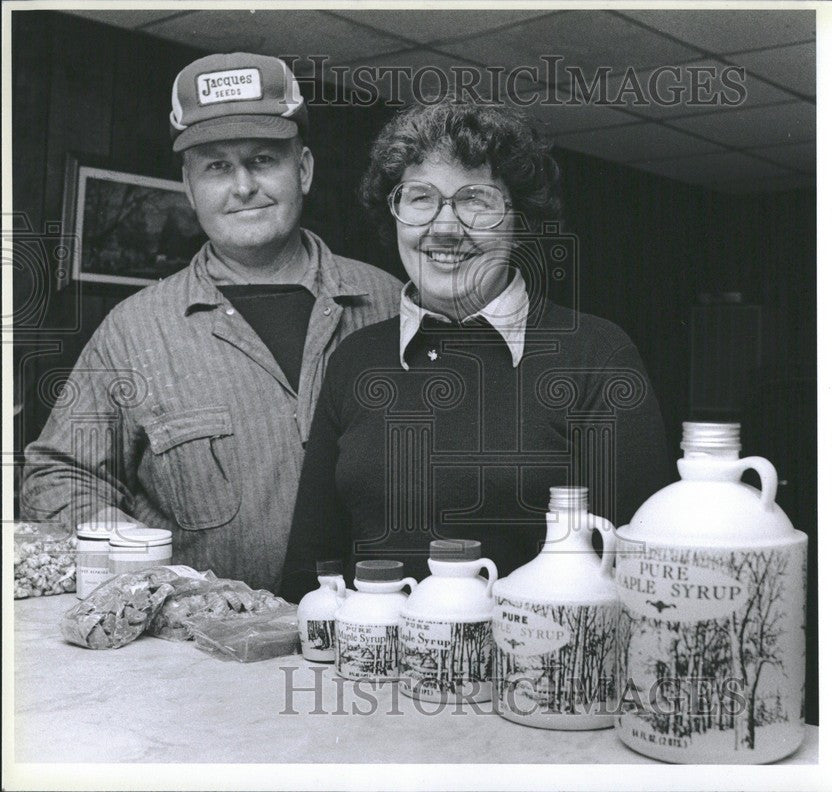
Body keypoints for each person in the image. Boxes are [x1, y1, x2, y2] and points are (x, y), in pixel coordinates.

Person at [20, 53, 401, 591]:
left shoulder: (390, 303)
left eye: (263, 159)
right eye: (217, 166)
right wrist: (146, 565)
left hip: (378, 640)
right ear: (189, 185)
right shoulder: (134, 333)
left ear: (305, 169)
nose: (243, 186)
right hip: (203, 657)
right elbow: (57, 477)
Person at [280, 98, 670, 602]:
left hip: (535, 670)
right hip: (366, 670)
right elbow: (308, 572)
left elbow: (642, 577)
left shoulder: (595, 355)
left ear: (520, 218)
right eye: (420, 198)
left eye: (476, 200)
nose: (445, 227)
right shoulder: (356, 359)